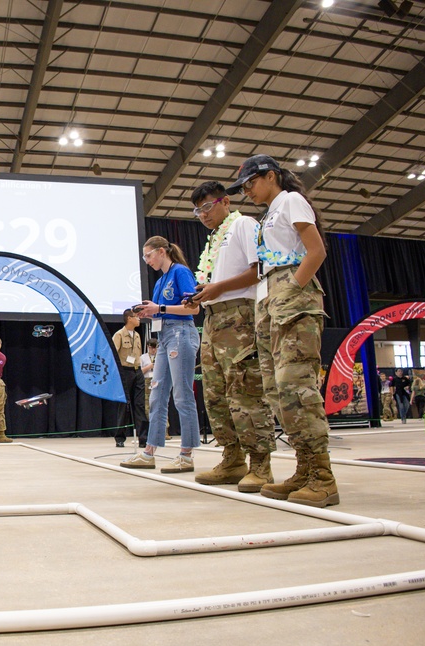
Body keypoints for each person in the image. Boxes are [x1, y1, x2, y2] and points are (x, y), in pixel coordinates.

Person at [226, 154, 338, 507]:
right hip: (269, 299)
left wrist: (293, 288)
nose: (247, 192)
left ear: (271, 176)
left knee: (296, 386)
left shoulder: (290, 200)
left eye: (251, 183)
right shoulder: (267, 214)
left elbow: (316, 250)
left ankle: (323, 477)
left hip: (290, 294)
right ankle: (305, 469)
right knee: (276, 390)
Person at [187, 181, 276, 492]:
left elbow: (260, 268)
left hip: (239, 316)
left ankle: (261, 464)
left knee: (245, 389)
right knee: (215, 394)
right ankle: (232, 458)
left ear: (225, 202)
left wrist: (219, 288)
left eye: (207, 207)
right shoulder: (214, 238)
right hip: (213, 318)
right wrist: (203, 294)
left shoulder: (243, 224)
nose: (202, 215)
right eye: (197, 210)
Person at [121, 236, 201, 473]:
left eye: (148, 256)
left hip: (181, 333)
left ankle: (186, 455)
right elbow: (160, 312)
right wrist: (150, 312)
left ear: (161, 251)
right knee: (157, 394)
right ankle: (149, 451)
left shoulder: (180, 272)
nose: (147, 261)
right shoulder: (159, 282)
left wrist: (160, 309)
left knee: (182, 394)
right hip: (165, 336)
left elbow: (193, 307)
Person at [111, 308, 148, 447]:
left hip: (137, 371)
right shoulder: (119, 335)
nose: (139, 318)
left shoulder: (137, 335)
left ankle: (143, 439)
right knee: (124, 405)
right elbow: (114, 355)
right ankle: (120, 438)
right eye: (136, 316)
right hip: (125, 371)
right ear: (129, 319)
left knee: (139, 405)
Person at [141, 339, 157, 415]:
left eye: (155, 348)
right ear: (148, 347)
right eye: (151, 348)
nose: (153, 350)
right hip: (146, 381)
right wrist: (149, 367)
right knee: (147, 403)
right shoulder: (143, 357)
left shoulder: (160, 357)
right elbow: (140, 372)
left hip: (157, 381)